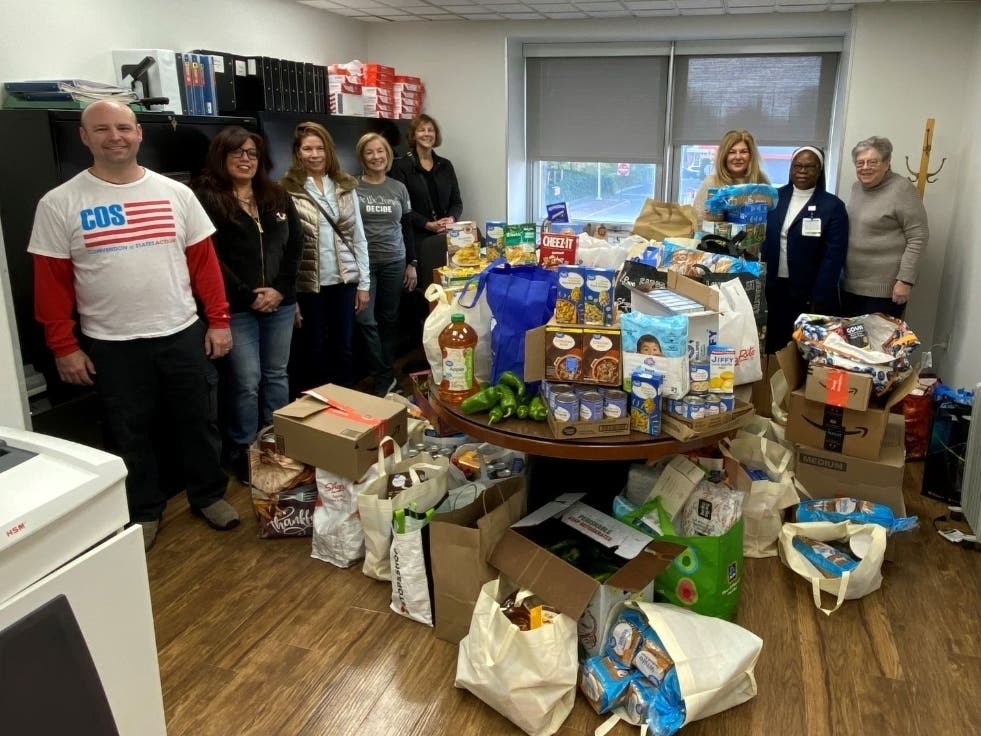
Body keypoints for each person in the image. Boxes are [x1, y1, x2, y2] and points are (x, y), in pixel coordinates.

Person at [28, 100, 239, 552]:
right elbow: (51, 284)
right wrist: (62, 345)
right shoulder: (60, 203)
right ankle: (143, 510)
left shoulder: (175, 194)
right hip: (111, 343)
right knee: (129, 432)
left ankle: (209, 495)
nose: (115, 136)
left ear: (139, 133)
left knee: (199, 421)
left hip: (180, 330)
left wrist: (218, 322)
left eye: (123, 128)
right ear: (84, 137)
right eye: (101, 129)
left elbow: (205, 267)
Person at [194, 127, 302, 478]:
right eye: (237, 152)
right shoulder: (204, 198)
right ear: (221, 157)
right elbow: (208, 257)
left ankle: (276, 442)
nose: (246, 159)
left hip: (280, 304)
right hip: (235, 308)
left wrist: (281, 291)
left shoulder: (276, 196)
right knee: (245, 381)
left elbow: (296, 247)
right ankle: (242, 448)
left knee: (276, 374)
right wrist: (248, 295)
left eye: (252, 153)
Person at [281, 121, 370, 390]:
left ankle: (345, 403)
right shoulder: (287, 189)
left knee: (343, 346)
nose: (314, 154)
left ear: (329, 151)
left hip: (344, 282)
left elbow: (358, 237)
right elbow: (284, 246)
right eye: (307, 148)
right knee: (312, 349)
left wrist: (364, 283)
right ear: (298, 152)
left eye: (320, 148)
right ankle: (316, 412)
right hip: (308, 285)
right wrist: (289, 295)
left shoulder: (344, 185)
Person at [761, 146, 848, 353]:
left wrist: (819, 295)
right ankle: (774, 384)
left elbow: (834, 255)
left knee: (804, 348)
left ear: (819, 170)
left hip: (808, 292)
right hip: (773, 288)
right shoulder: (774, 198)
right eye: (797, 166)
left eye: (809, 166)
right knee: (774, 344)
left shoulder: (832, 206)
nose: (802, 171)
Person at [354, 132, 417, 396]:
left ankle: (384, 376)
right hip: (363, 263)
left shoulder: (398, 188)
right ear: (362, 157)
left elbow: (407, 226)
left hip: (394, 259)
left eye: (380, 151)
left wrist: (412, 263)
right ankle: (385, 374)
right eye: (370, 152)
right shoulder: (352, 187)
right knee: (365, 320)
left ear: (387, 155)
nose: (376, 156)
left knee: (389, 319)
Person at [841, 136, 929, 319]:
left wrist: (905, 280)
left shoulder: (902, 189)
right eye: (860, 163)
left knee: (878, 345)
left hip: (884, 291)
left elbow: (918, 236)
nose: (865, 167)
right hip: (851, 285)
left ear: (887, 163)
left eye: (872, 162)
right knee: (852, 344)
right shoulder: (857, 188)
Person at [390, 113, 462, 290]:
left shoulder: (445, 165)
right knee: (429, 288)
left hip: (447, 233)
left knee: (454, 285)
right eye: (421, 130)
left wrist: (451, 220)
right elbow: (401, 208)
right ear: (413, 135)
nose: (427, 133)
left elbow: (457, 202)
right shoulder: (401, 166)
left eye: (431, 130)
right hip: (418, 237)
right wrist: (427, 224)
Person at [692, 129, 770, 225]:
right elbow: (697, 221)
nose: (738, 157)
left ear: (751, 155)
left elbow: (770, 216)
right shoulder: (712, 183)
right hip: (717, 238)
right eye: (732, 152)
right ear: (724, 156)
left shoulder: (761, 181)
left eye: (743, 151)